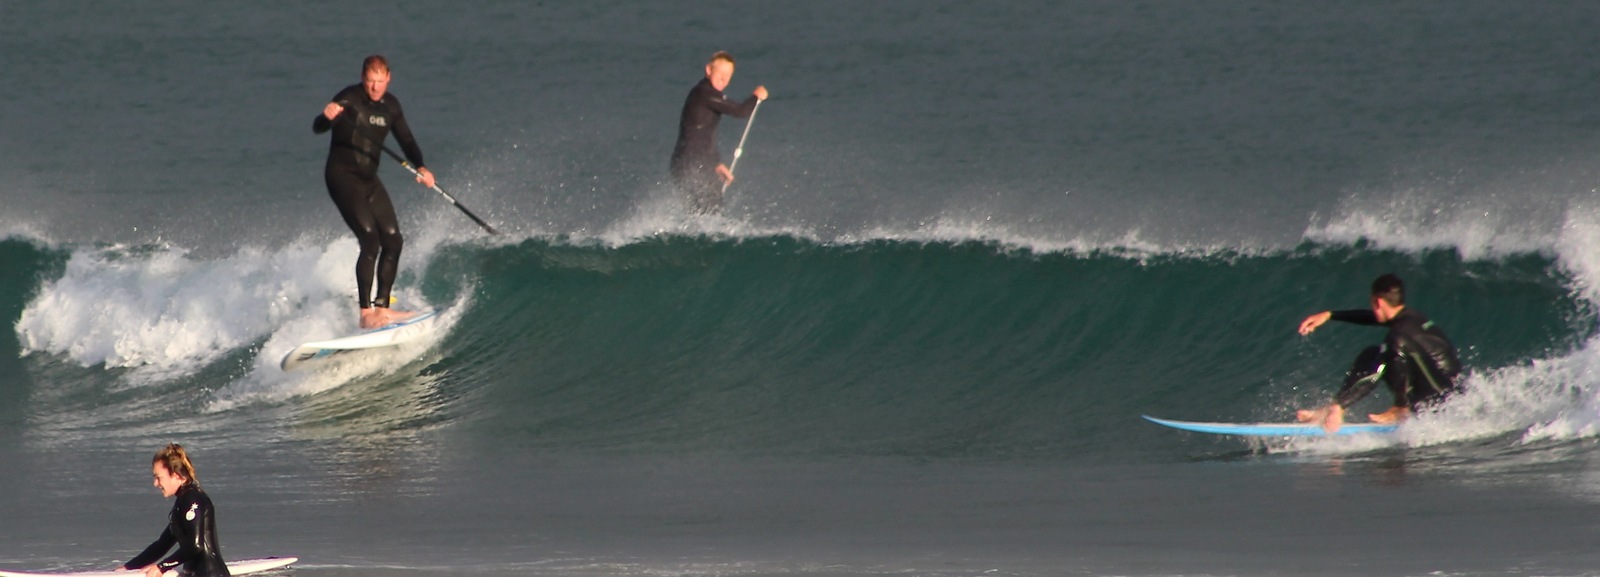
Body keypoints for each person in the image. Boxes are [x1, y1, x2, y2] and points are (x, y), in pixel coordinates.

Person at [313, 54, 435, 329]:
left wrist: (422, 167)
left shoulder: (391, 107)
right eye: (371, 81)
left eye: (381, 82)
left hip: (369, 182)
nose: (376, 88)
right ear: (362, 78)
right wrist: (326, 116)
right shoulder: (350, 98)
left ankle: (382, 308)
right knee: (370, 238)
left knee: (393, 239)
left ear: (388, 79)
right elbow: (319, 127)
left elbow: (406, 139)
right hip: (342, 178)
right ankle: (366, 314)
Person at [1295, 273, 1462, 433]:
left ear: (1378, 302)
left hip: (1435, 401)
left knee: (1377, 356)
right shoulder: (1412, 319)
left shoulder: (1397, 337)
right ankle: (1335, 407)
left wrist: (1400, 404)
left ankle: (1339, 407)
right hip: (1452, 397)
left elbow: (1397, 363)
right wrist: (1330, 315)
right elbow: (1374, 317)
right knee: (1385, 353)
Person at [670, 51, 769, 214]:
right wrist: (756, 97)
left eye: (728, 75)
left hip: (692, 162)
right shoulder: (704, 93)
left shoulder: (707, 95)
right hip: (690, 164)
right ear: (709, 70)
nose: (724, 78)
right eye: (720, 73)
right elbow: (741, 111)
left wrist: (716, 163)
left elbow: (702, 134)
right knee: (710, 212)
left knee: (705, 212)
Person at [120, 444, 229, 577]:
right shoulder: (182, 502)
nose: (155, 483)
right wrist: (128, 567)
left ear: (176, 475)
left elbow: (195, 545)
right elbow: (161, 546)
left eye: (158, 477)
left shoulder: (192, 499)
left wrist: (161, 567)